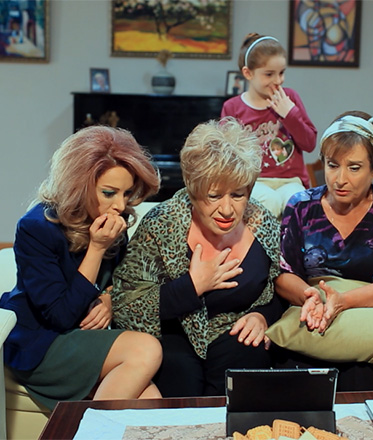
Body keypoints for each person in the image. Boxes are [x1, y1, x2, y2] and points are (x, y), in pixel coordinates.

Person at [111, 117, 283, 397]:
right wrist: (193, 286)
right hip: (172, 334)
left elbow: (280, 289)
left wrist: (262, 316)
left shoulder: (263, 223)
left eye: (238, 195)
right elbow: (126, 305)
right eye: (214, 196)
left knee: (249, 360)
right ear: (193, 190)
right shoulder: (162, 224)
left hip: (234, 334)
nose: (227, 209)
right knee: (180, 374)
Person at [0, 126, 163, 411]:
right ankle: (93, 430)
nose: (120, 205)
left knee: (151, 400)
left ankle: (90, 429)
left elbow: (120, 279)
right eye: (109, 193)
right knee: (146, 349)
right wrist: (96, 248)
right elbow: (60, 315)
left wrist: (108, 299)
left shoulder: (112, 218)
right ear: (79, 185)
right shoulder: (36, 228)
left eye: (126, 193)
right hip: (41, 343)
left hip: (84, 337)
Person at [274, 111, 373, 386]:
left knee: (363, 387)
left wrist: (343, 301)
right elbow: (284, 275)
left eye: (354, 168)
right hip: (312, 325)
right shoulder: (301, 205)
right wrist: (311, 296)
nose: (340, 179)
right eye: (333, 165)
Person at [221, 33, 317, 217]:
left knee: (299, 203)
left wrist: (290, 114)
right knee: (269, 201)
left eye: (281, 73)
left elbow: (310, 143)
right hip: (254, 182)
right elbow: (226, 156)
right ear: (248, 73)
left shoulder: (290, 98)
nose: (278, 80)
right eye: (269, 74)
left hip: (291, 181)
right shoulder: (232, 107)